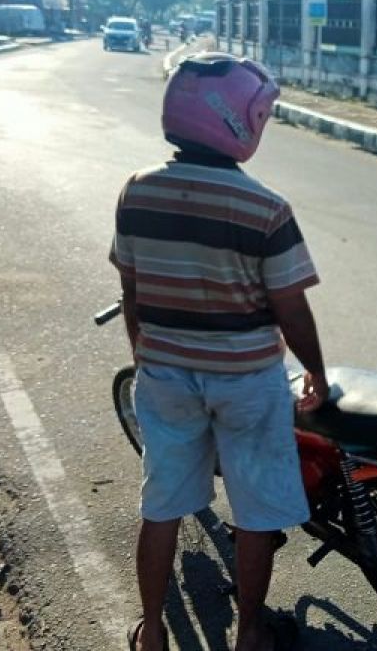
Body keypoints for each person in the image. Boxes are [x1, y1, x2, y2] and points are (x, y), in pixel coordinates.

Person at [110, 52, 329, 651]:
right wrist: (316, 371)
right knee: (254, 514)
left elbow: (131, 288)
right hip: (247, 383)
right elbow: (292, 309)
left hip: (166, 377)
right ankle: (249, 633)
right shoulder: (265, 208)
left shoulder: (137, 191)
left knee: (162, 506)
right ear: (241, 121)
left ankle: (152, 631)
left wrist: (145, 353)